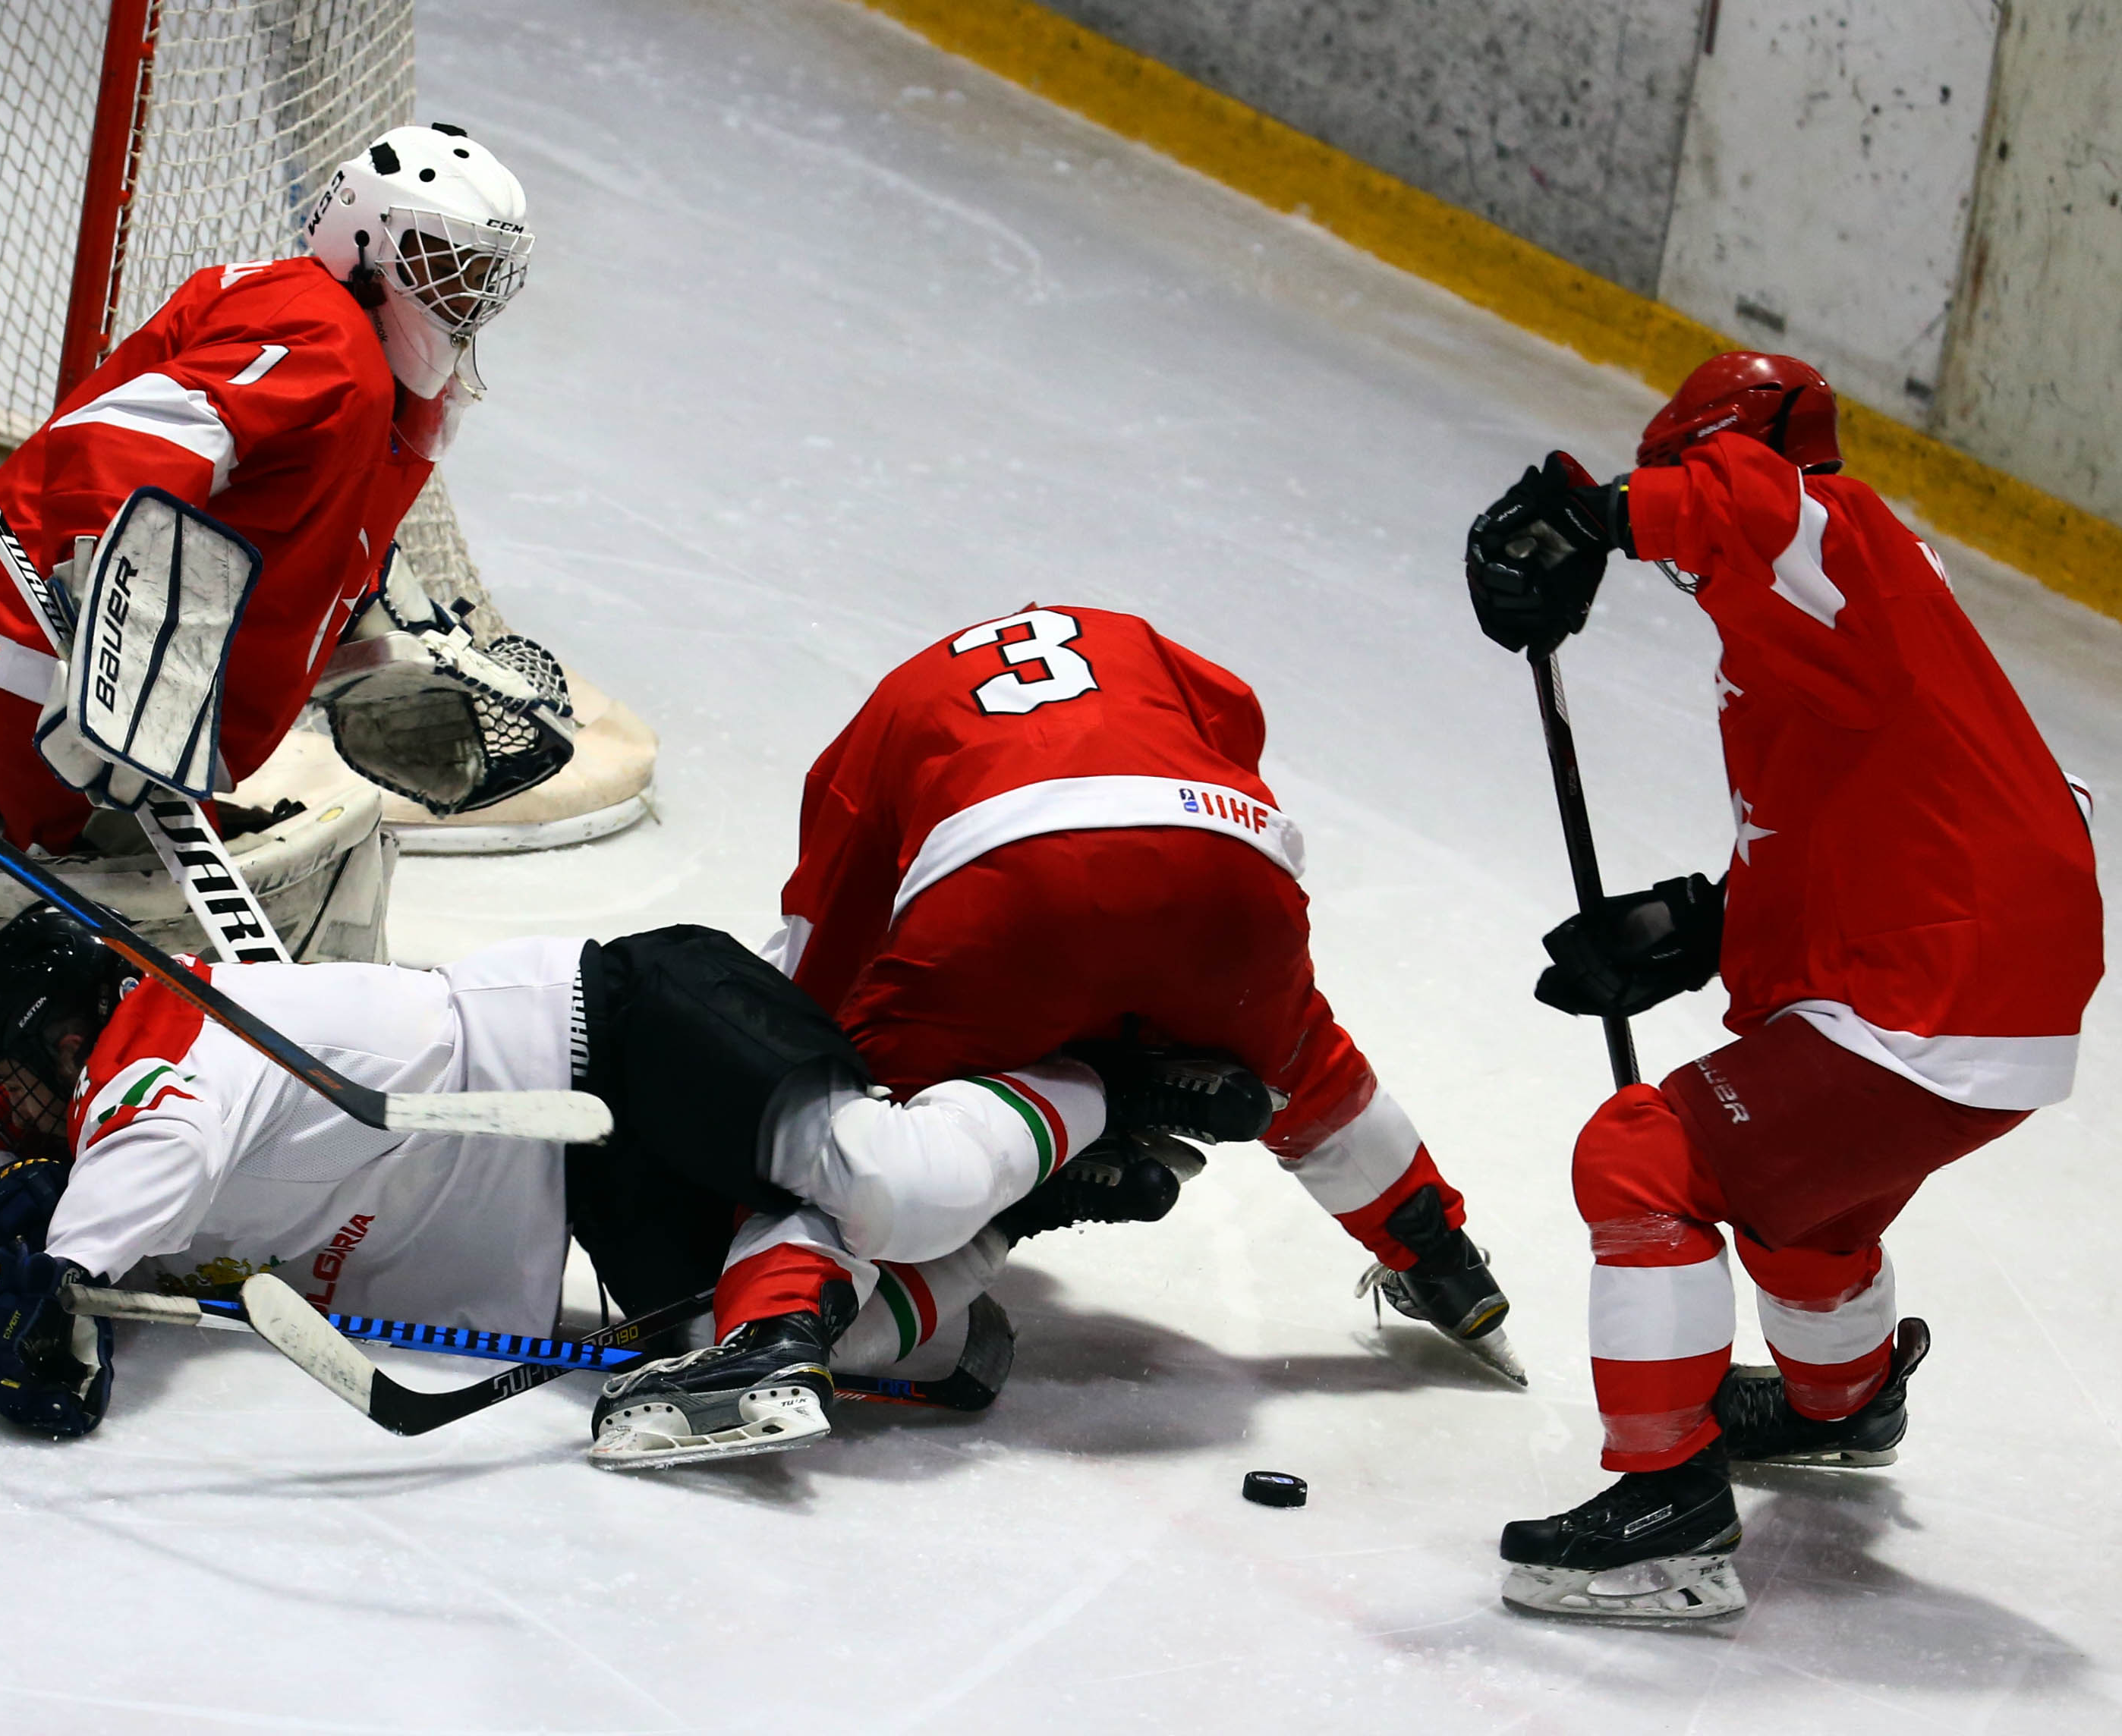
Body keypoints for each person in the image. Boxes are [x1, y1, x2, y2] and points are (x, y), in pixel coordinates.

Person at [1463, 351, 2102, 1619]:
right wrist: (1695, 928)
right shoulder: (1831, 627)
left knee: (1644, 1156)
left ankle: (1665, 1514)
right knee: (1797, 1203)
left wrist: (1594, 518)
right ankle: (1841, 1401)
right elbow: (1847, 825)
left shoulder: (1829, 535)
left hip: (1938, 985)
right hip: (1971, 975)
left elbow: (1752, 503)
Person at [0, 907, 1255, 1463]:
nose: (17, 1113)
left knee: (888, 1182)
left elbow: (143, 1147)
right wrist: (8, 1221)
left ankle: (1105, 1080)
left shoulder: (174, 1030)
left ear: (73, 1030)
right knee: (841, 1347)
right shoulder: (113, 1125)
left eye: (18, 1077)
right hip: (580, 1192)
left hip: (617, 1030)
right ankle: (1023, 1197)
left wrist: (57, 1274)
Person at [746, 605, 1522, 1384]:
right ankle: (1447, 1268)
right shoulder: (1134, 638)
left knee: (866, 1145)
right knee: (1308, 1073)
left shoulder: (891, 707)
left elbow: (829, 928)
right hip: (1222, 853)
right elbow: (1233, 730)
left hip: (1005, 888)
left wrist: (794, 1076)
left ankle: (795, 1318)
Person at [0, 121, 549, 853]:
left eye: (480, 273)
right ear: (366, 239)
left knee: (128, 863)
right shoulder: (328, 338)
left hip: (77, 659)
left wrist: (373, 612)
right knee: (114, 895)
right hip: (52, 652)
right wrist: (107, 650)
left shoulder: (356, 362)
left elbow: (284, 515)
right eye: (444, 262)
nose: (465, 295)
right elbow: (132, 444)